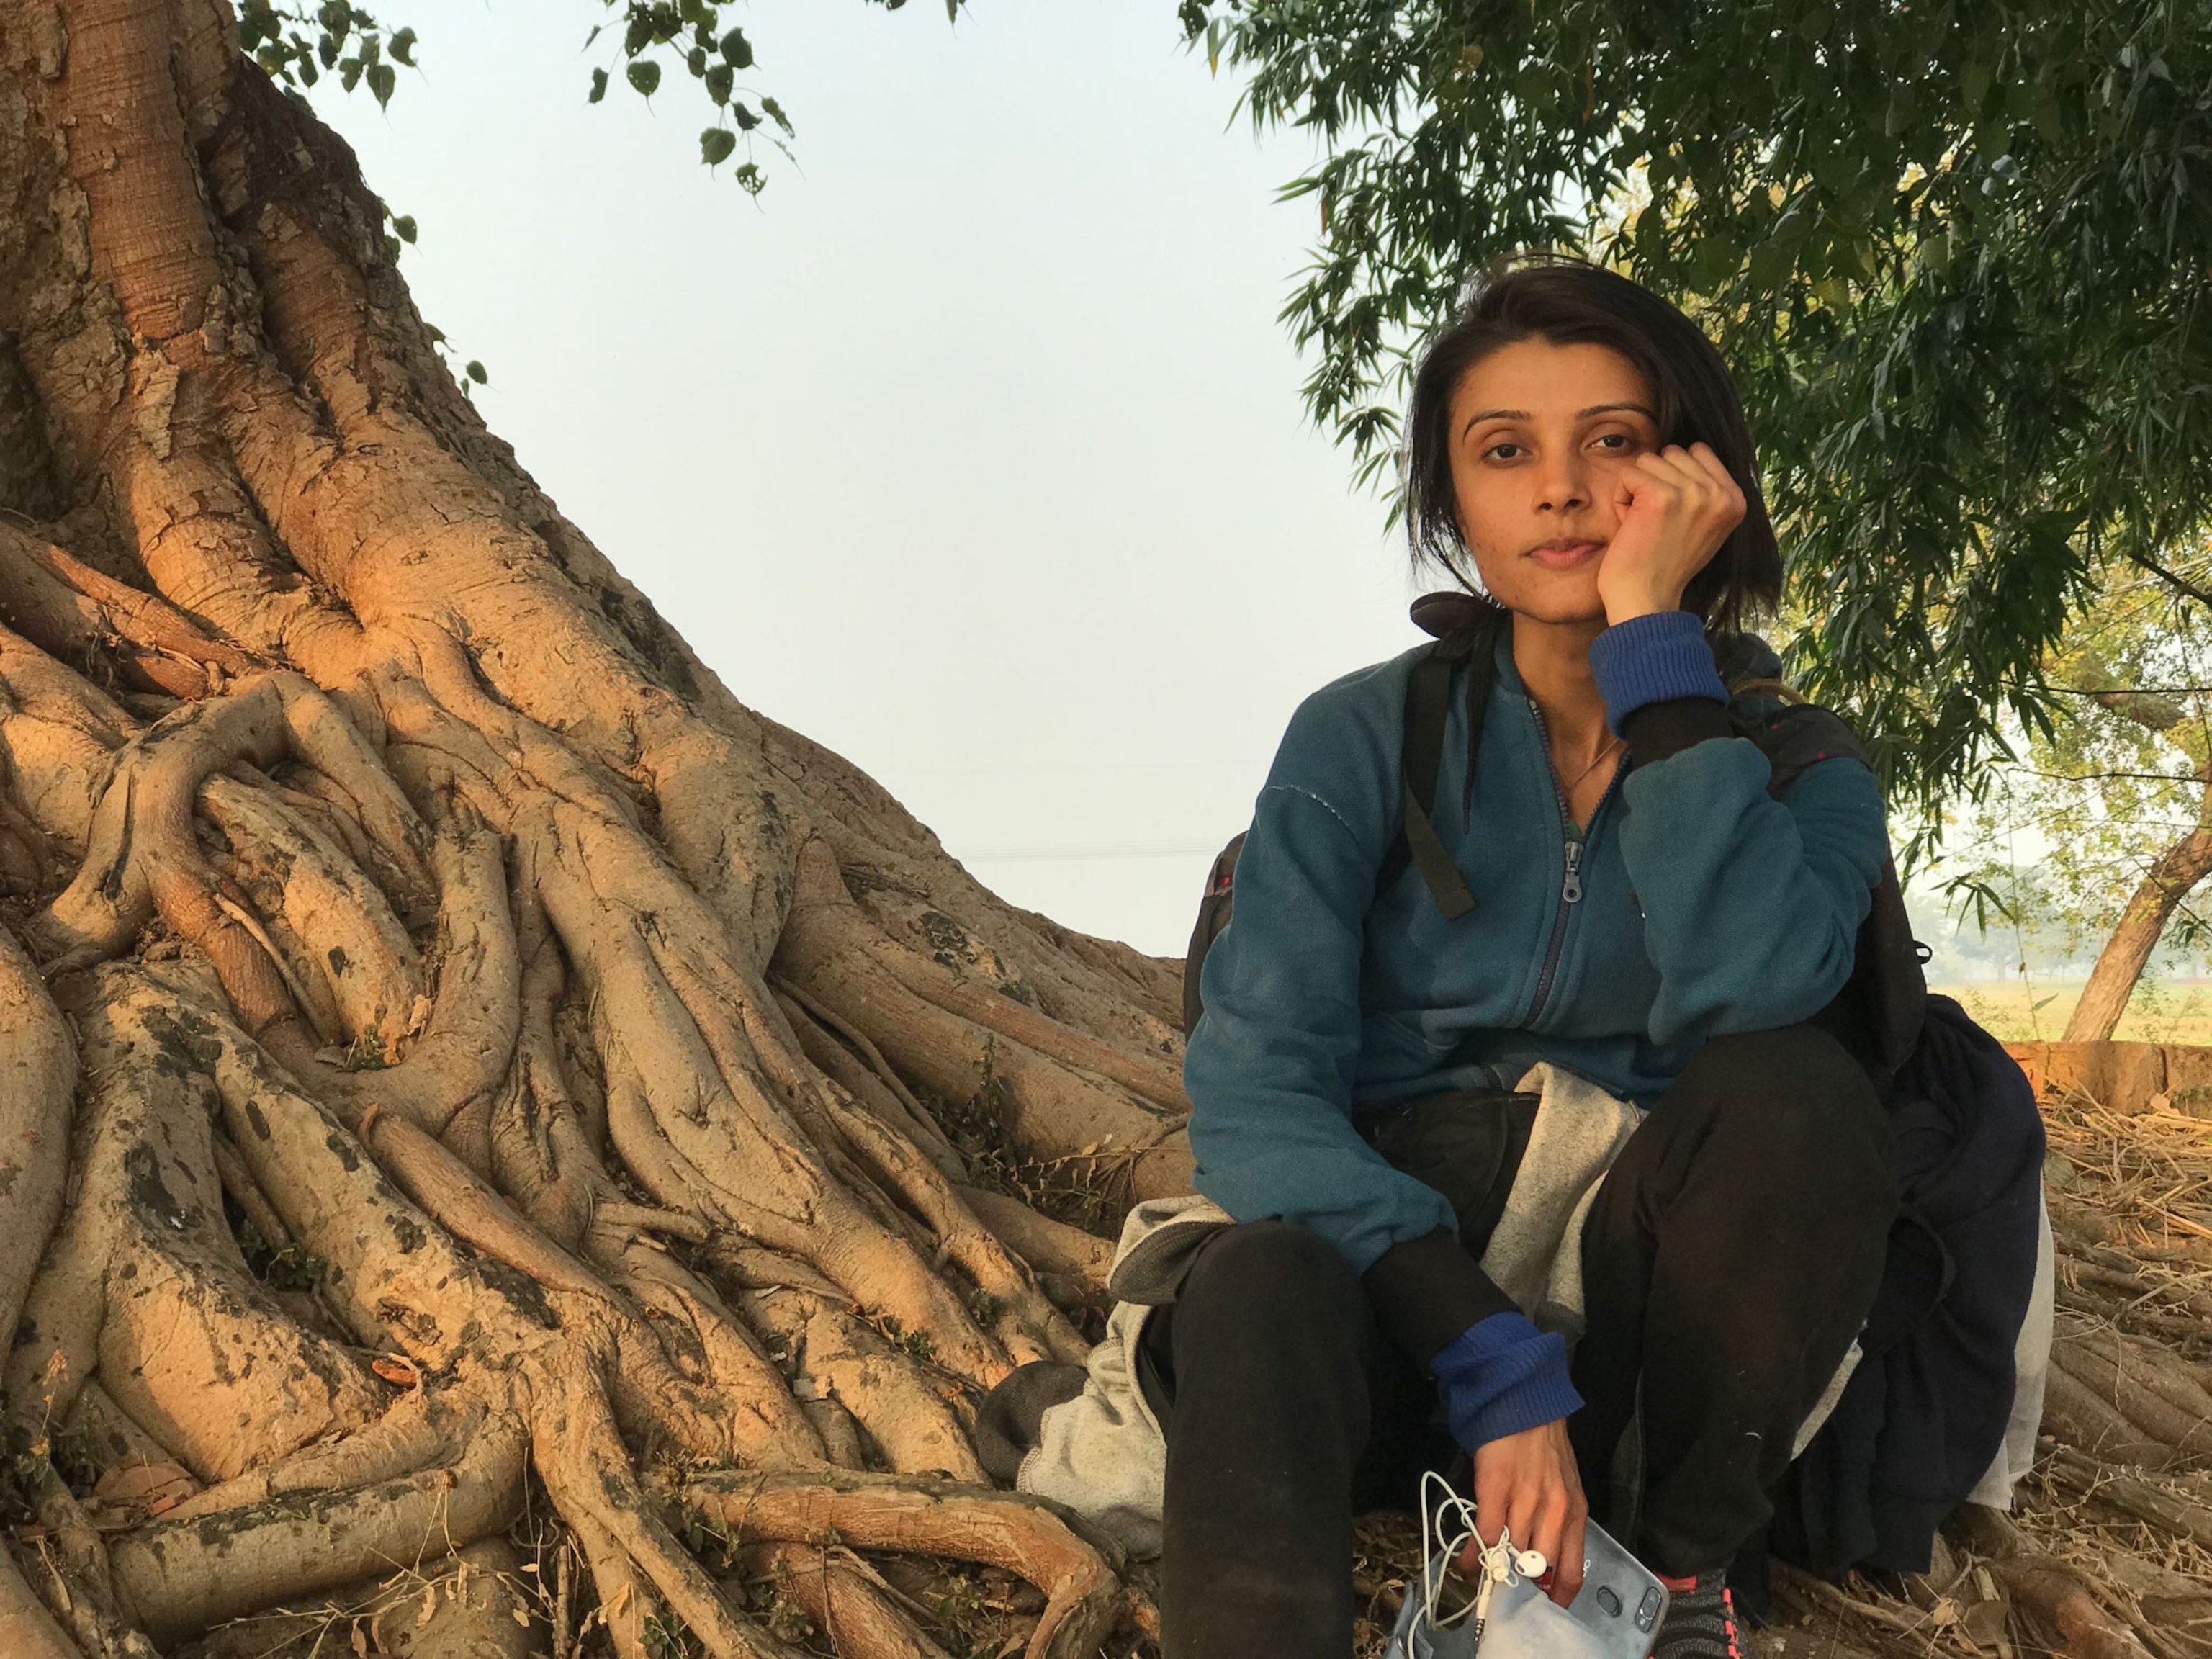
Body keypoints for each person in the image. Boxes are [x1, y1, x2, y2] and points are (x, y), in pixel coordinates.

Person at [1162, 258, 1899, 1659]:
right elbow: (1258, 1096)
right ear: (1453, 504)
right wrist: (1485, 1351)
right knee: (1253, 1283)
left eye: (1611, 442)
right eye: (1504, 451)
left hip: (1653, 1354)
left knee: (1800, 1094)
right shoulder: (1361, 737)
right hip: (1391, 1310)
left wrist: (1659, 661)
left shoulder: (1799, 766)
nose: (1559, 490)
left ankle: (1676, 1580)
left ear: (1699, 484)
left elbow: (1757, 994)